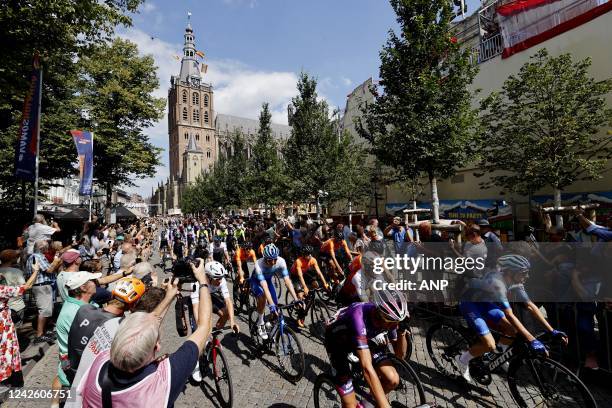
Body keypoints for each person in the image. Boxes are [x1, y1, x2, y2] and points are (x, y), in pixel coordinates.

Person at [77, 260, 212, 408]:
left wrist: (169, 297)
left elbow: (144, 328)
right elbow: (204, 328)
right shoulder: (162, 382)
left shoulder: (100, 361)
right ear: (157, 347)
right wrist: (203, 282)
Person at [456, 255, 557, 382]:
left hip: (485, 303)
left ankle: (498, 355)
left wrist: (552, 330)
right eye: (524, 273)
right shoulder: (497, 284)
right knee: (489, 345)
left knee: (513, 330)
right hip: (470, 304)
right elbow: (509, 314)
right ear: (510, 272)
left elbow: (530, 305)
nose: (527, 276)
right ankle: (462, 359)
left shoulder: (515, 282)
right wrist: (532, 340)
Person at [324, 289, 409, 408]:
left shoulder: (390, 319)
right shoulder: (358, 316)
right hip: (337, 342)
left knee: (393, 379)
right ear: (379, 314)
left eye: (397, 322)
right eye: (392, 322)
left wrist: (402, 331)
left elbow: (400, 356)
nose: (394, 326)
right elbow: (367, 369)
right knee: (350, 405)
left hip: (364, 338)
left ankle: (365, 405)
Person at [66, 277, 146, 383]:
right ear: (133, 304)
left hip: (72, 370)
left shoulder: (84, 309)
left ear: (112, 295)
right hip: (91, 380)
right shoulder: (119, 328)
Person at [52, 271, 101, 408]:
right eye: (93, 281)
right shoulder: (75, 312)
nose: (97, 283)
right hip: (77, 365)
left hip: (73, 361)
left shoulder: (83, 305)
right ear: (83, 288)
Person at [189, 261, 239, 382]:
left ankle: (212, 337)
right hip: (198, 300)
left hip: (210, 295)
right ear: (208, 277)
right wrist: (203, 329)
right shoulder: (196, 283)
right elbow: (196, 309)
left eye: (222, 278)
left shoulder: (220, 280)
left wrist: (232, 321)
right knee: (197, 332)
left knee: (226, 312)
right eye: (217, 279)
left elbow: (228, 302)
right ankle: (195, 363)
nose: (220, 281)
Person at [0, 259, 39, 387]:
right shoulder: (2, 290)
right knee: (6, 347)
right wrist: (36, 271)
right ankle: (6, 377)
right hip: (3, 321)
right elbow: (26, 286)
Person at [251, 244, 299, 340]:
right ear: (264, 258)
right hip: (256, 282)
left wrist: (296, 299)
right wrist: (271, 304)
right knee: (263, 298)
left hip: (268, 281)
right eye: (269, 260)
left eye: (275, 259)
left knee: (275, 306)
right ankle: (260, 322)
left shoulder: (281, 261)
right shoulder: (259, 264)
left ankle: (270, 328)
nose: (273, 262)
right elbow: (264, 287)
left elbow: (287, 281)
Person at [26, 240, 62, 343]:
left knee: (47, 310)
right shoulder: (37, 257)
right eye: (46, 246)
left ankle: (44, 332)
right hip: (41, 286)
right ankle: (39, 334)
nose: (48, 248)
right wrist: (55, 261)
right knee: (44, 310)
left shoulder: (38, 256)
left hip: (43, 285)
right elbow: (49, 270)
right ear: (42, 248)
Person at [290, 245, 329, 327]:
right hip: (295, 276)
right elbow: (300, 276)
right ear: (304, 254)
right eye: (308, 254)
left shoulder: (312, 260)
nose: (310, 256)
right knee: (301, 295)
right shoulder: (298, 261)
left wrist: (325, 283)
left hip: (305, 273)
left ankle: (308, 299)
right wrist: (304, 287)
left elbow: (319, 272)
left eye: (311, 254)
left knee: (316, 284)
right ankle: (299, 317)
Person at [0, 250, 26, 327]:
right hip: (16, 306)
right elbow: (24, 287)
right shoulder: (16, 272)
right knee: (16, 331)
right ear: (12, 259)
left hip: (2, 307)